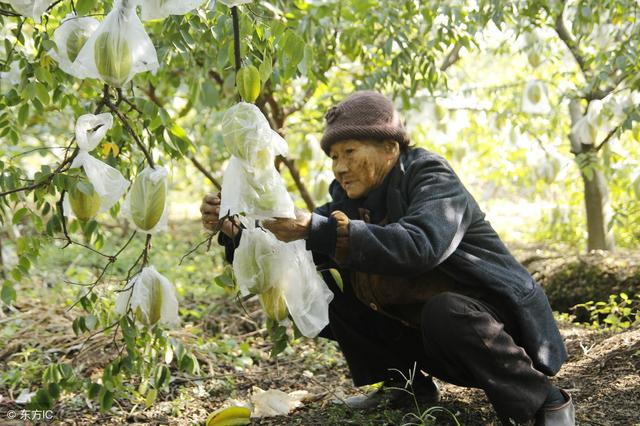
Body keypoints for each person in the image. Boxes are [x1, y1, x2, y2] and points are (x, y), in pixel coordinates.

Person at [200, 91, 575, 425]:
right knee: (328, 280)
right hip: (437, 336)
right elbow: (297, 249)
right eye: (333, 156)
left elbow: (419, 246)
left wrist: (315, 228)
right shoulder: (349, 199)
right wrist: (239, 230)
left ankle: (546, 400)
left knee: (446, 309)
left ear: (390, 148)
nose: (340, 167)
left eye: (350, 152)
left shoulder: (431, 176)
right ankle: (406, 385)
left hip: (501, 333)